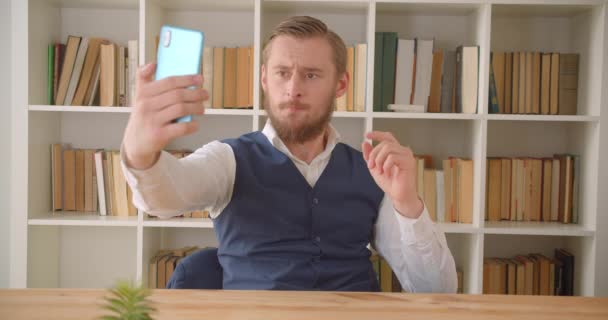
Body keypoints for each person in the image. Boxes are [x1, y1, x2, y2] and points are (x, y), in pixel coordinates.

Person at [121, 16, 457, 292]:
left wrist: (407, 203)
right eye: (282, 73)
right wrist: (140, 152)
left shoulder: (372, 171)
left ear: (340, 85)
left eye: (311, 75)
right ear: (265, 79)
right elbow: (164, 197)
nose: (293, 88)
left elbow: (437, 291)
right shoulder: (227, 159)